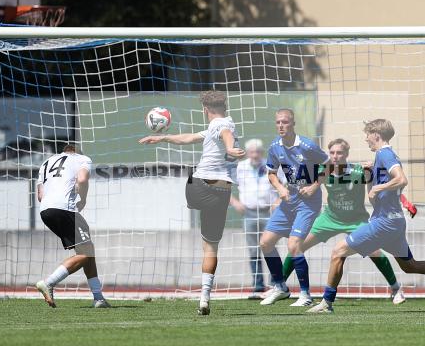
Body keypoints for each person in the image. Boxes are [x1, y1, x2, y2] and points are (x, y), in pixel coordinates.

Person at [308, 120, 425, 314]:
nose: (366, 139)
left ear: (376, 135)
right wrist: (372, 178)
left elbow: (402, 179)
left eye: (368, 135)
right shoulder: (382, 157)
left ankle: (326, 304)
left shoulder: (385, 153)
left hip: (385, 222)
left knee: (338, 251)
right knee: (409, 265)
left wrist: (379, 186)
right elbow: (376, 197)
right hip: (394, 221)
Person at [139, 90, 245, 315]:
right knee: (211, 248)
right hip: (222, 190)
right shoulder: (218, 126)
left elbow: (226, 133)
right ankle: (204, 298)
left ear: (205, 109)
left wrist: (228, 147)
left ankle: (204, 298)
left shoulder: (221, 124)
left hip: (198, 186)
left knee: (192, 180)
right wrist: (163, 137)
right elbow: (190, 138)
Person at [278, 138, 409, 303]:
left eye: (339, 152)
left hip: (356, 220)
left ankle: (396, 289)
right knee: (297, 245)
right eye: (332, 152)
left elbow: (390, 185)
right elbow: (295, 182)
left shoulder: (358, 172)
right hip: (329, 218)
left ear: (346, 154)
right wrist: (281, 196)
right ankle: (279, 286)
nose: (335, 156)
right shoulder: (320, 171)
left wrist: (403, 200)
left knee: (375, 252)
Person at [258, 109, 328, 307]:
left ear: (293, 123)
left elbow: (328, 165)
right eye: (278, 122)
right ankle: (280, 287)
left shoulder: (308, 146)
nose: (281, 125)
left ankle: (305, 295)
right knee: (265, 243)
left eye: (285, 122)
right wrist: (280, 188)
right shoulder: (274, 147)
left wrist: (314, 186)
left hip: (308, 202)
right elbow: (271, 173)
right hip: (288, 201)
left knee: (293, 245)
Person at [33, 144, 110, 308]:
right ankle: (49, 282)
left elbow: (40, 195)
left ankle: (99, 298)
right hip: (65, 209)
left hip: (45, 211)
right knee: (86, 252)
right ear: (76, 152)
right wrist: (82, 198)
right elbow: (82, 179)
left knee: (87, 250)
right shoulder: (81, 158)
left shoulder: (46, 162)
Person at [229, 138, 278, 296]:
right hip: (249, 213)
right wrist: (235, 202)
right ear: (248, 153)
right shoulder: (240, 167)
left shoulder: (270, 165)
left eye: (257, 152)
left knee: (270, 247)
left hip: (268, 212)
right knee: (253, 250)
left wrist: (277, 203)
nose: (255, 155)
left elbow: (285, 185)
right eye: (251, 152)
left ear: (262, 152)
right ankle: (258, 285)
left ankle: (275, 284)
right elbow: (224, 186)